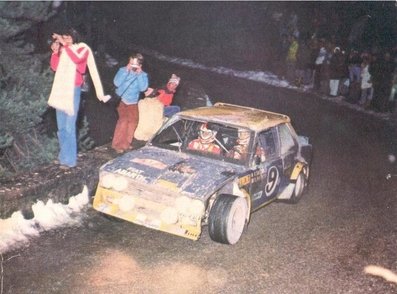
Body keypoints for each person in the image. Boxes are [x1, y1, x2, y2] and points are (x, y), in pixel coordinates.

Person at [48, 28, 110, 169]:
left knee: (70, 126)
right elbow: (54, 66)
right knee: (61, 127)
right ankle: (63, 156)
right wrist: (55, 52)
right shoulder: (65, 49)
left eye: (68, 38)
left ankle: (70, 161)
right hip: (61, 90)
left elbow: (78, 61)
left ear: (74, 37)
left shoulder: (82, 48)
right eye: (64, 38)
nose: (66, 40)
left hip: (73, 90)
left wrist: (65, 45)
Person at [111, 53, 149, 153]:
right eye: (130, 63)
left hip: (133, 102)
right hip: (122, 100)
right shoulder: (123, 70)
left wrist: (140, 74)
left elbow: (143, 88)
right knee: (123, 120)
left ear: (140, 65)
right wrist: (125, 71)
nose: (132, 66)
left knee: (132, 122)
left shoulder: (143, 75)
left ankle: (126, 143)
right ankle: (117, 144)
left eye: (134, 64)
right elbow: (116, 82)